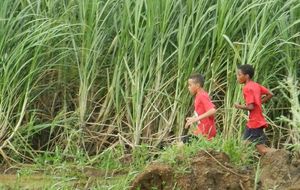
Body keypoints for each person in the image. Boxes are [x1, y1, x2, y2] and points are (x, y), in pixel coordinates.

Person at [235, 64, 274, 155]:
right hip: (255, 121)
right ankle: (242, 165)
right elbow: (270, 94)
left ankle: (281, 155)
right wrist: (259, 102)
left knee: (263, 150)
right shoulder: (256, 85)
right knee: (244, 145)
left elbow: (251, 107)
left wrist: (239, 106)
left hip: (255, 123)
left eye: (239, 74)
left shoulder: (247, 88)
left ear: (247, 76)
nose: (237, 77)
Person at [182, 74, 217, 143]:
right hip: (201, 130)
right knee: (184, 142)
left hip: (206, 131)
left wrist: (195, 119)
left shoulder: (202, 95)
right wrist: (192, 119)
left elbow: (212, 110)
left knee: (182, 144)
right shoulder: (198, 95)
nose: (188, 87)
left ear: (197, 86)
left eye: (190, 85)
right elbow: (200, 112)